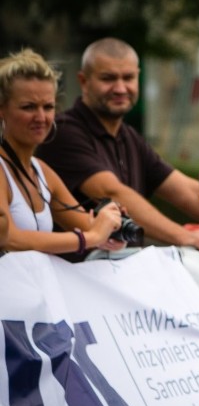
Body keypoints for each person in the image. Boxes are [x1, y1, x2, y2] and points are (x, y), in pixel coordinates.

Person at [37, 37, 199, 257]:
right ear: (84, 81)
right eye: (108, 78)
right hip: (75, 280)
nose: (120, 88)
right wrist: (184, 235)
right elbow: (112, 192)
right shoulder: (63, 132)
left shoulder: (128, 136)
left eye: (128, 77)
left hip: (120, 274)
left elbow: (191, 191)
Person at [0, 48, 124, 255]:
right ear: (2, 110)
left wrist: (111, 227)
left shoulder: (41, 171)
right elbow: (9, 238)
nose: (41, 117)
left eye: (48, 107)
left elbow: (88, 225)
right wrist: (90, 238)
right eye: (28, 107)